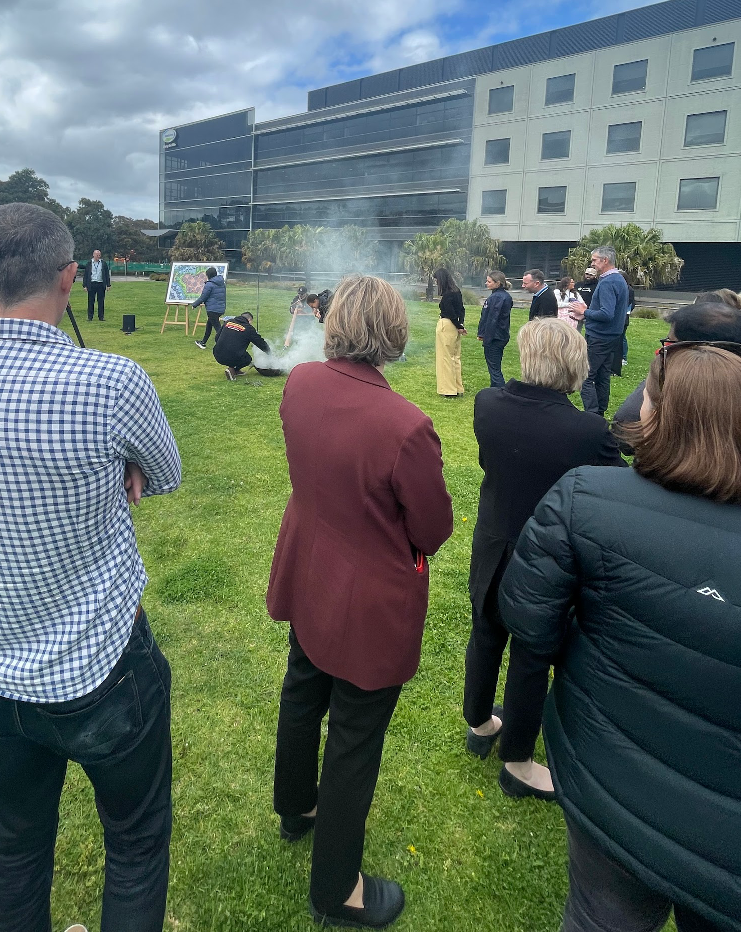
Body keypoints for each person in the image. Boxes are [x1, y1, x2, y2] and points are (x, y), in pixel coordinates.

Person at [0, 203, 182, 933]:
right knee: (134, 844)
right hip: (106, 667)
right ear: (67, 277)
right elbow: (168, 472)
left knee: (20, 844)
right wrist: (121, 461)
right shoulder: (110, 382)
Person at [499, 341, 740, 933]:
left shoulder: (590, 498)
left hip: (609, 776)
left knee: (597, 919)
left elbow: (531, 623)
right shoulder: (590, 491)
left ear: (658, 414)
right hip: (723, 830)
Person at [267, 275, 453, 930]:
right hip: (366, 593)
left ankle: (295, 806)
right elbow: (432, 528)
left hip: (312, 568)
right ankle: (334, 887)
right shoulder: (405, 426)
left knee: (301, 687)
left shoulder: (302, 383)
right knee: (351, 735)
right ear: (393, 332)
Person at [464, 319, 625, 802]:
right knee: (531, 655)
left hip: (493, 541)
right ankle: (517, 761)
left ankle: (480, 723)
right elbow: (617, 489)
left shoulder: (486, 404)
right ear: (574, 363)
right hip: (547, 555)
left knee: (486, 632)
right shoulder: (589, 431)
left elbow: (490, 465)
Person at [613, 299, 741, 430]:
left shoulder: (669, 387)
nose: (663, 351)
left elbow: (625, 422)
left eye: (671, 342)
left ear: (700, 351)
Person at [570, 247, 630, 418]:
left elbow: (606, 314)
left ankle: (592, 415)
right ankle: (599, 415)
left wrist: (585, 312)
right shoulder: (618, 279)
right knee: (603, 376)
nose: (592, 263)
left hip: (599, 337)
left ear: (605, 260)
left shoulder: (608, 282)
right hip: (611, 337)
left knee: (585, 376)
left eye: (595, 260)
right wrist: (585, 313)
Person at [434, 267, 466, 397]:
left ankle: (448, 389)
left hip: (447, 324)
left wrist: (458, 325)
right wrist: (461, 325)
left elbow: (450, 313)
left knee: (445, 358)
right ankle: (458, 387)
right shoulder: (456, 291)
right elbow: (461, 309)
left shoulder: (447, 295)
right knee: (455, 357)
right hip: (455, 327)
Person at [477, 271, 513, 387]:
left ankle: (499, 390)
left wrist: (486, 336)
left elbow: (492, 318)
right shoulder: (503, 296)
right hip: (501, 335)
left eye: (489, 281)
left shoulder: (497, 297)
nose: (486, 283)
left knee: (494, 368)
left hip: (495, 336)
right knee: (494, 366)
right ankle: (496, 389)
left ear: (497, 283)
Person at [213, 310, 270, 380]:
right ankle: (232, 370)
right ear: (249, 320)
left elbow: (216, 338)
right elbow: (260, 343)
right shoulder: (249, 328)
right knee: (247, 359)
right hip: (231, 356)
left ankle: (236, 371)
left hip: (217, 354)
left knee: (238, 352)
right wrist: (269, 352)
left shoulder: (228, 322)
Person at [193, 265, 227, 349]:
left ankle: (226, 345)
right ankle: (203, 342)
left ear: (208, 275)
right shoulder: (222, 283)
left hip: (212, 309)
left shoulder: (209, 284)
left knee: (218, 329)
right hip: (220, 308)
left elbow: (203, 297)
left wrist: (195, 304)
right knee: (209, 325)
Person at [81, 248, 111, 321]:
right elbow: (86, 275)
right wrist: (85, 285)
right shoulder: (89, 263)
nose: (98, 256)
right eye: (97, 255)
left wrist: (108, 285)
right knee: (91, 301)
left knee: (101, 301)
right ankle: (90, 317)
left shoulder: (103, 263)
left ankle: (101, 317)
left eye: (99, 255)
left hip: (101, 284)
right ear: (93, 255)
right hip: (92, 284)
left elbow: (106, 274)